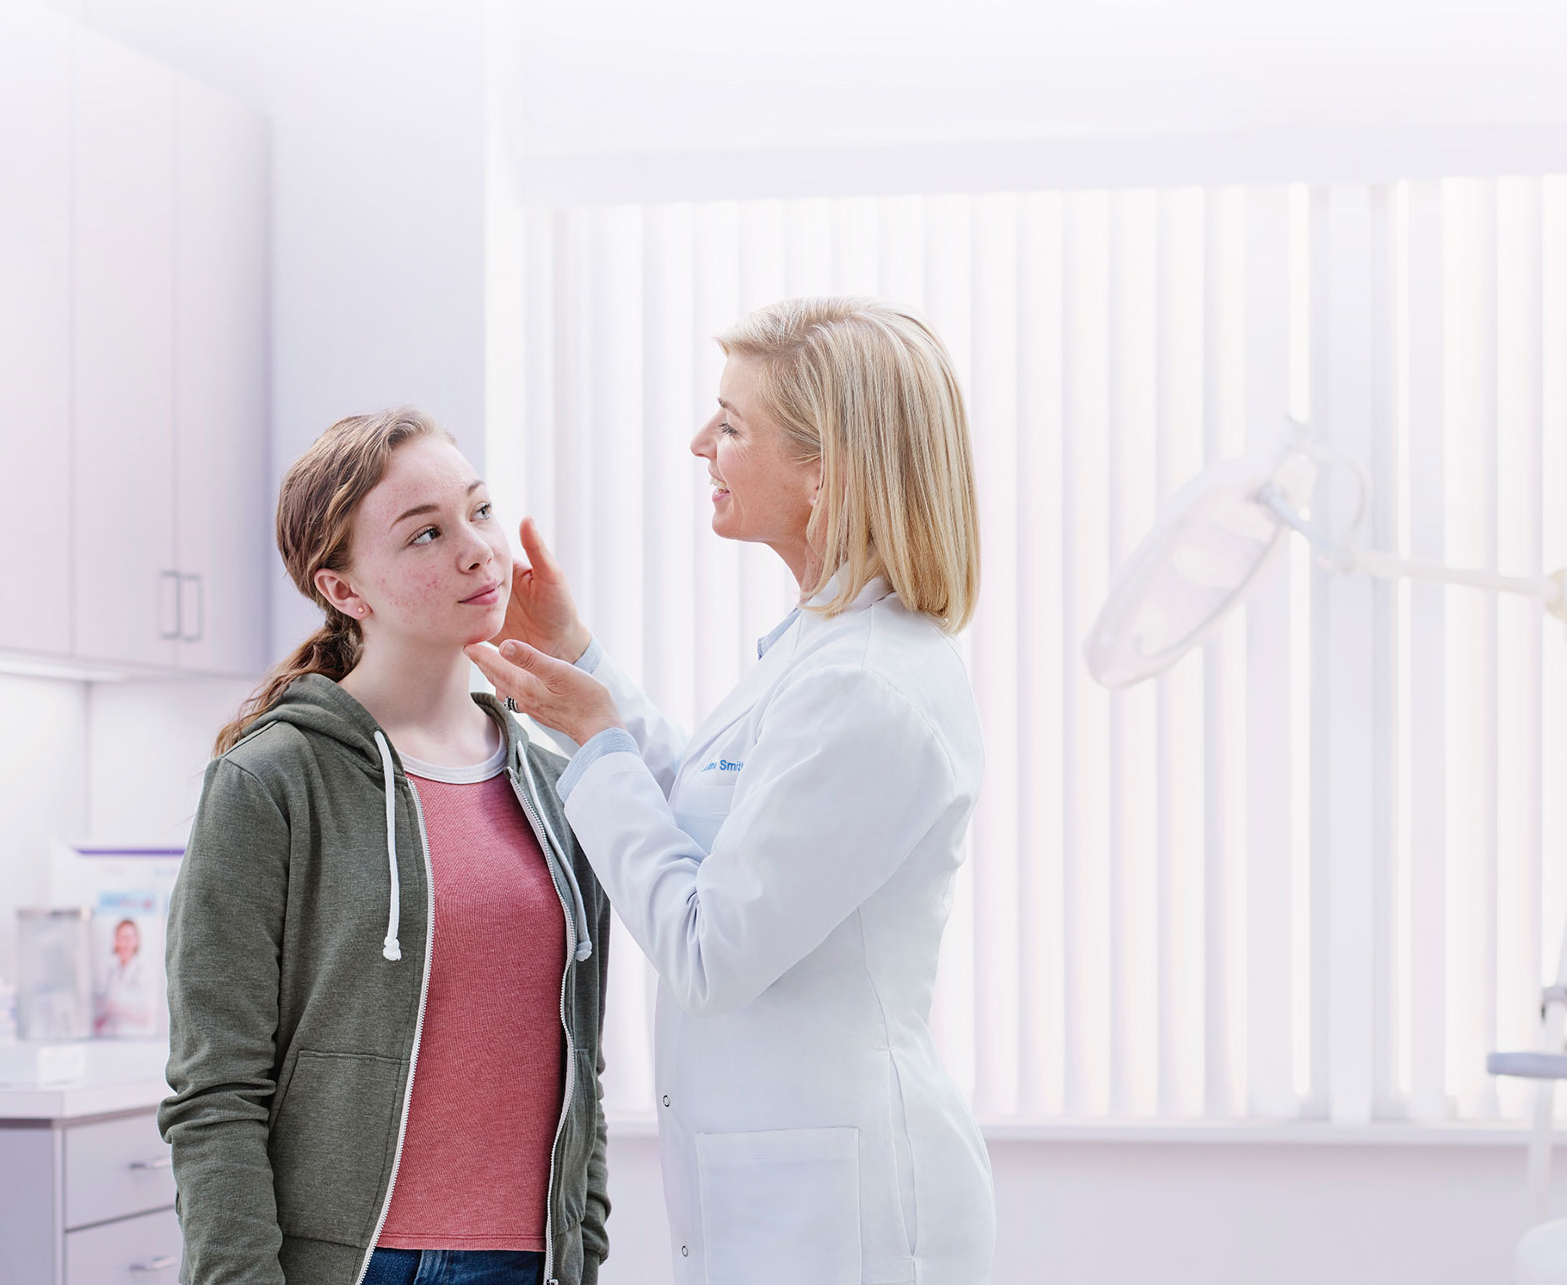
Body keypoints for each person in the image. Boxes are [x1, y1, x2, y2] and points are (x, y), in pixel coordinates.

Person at [468, 298, 992, 1285]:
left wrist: (593, 744)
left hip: (845, 1222)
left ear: (823, 467)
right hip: (790, 1200)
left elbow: (710, 952)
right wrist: (580, 662)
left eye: (732, 423)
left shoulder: (867, 688)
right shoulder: (821, 657)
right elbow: (708, 810)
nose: (699, 441)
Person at [161, 408, 612, 1285]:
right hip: (353, 1268)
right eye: (426, 535)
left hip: (530, 1266)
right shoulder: (271, 781)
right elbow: (216, 1093)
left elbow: (583, 1066)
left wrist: (583, 1254)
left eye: (478, 512)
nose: (477, 550)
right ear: (344, 590)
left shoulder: (560, 784)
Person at [94, 917, 154, 1037]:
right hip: (111, 1039)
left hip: (136, 1039)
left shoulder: (144, 971)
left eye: (127, 938)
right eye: (119, 938)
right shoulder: (110, 972)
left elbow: (149, 1017)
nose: (123, 943)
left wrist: (117, 1008)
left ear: (136, 941)